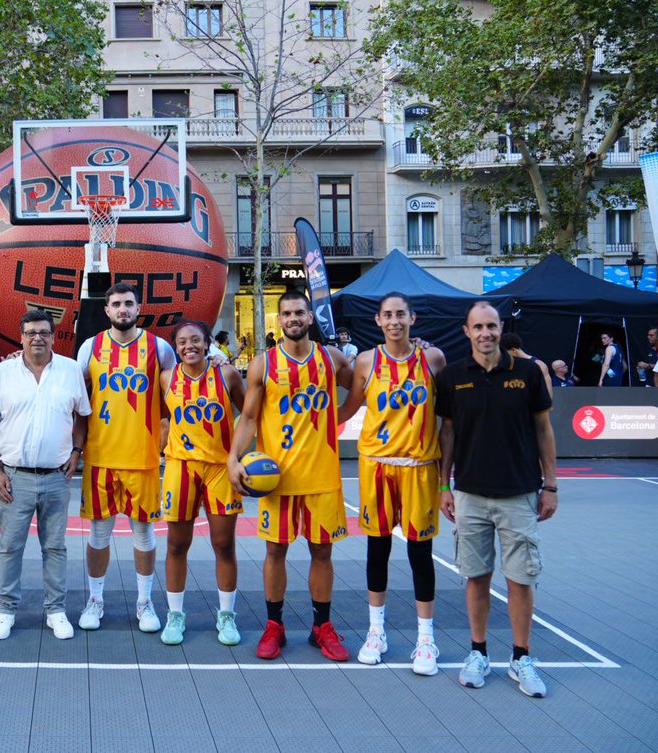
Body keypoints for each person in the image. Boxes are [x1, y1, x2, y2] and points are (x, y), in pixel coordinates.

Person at [437, 301, 557, 698]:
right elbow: (448, 433)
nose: (485, 333)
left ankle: (521, 657)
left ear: (500, 328)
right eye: (478, 327)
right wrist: (443, 485)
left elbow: (543, 430)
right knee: (476, 577)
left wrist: (551, 485)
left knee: (520, 579)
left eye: (491, 326)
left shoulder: (527, 373)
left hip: (519, 493)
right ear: (466, 330)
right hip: (470, 494)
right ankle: (478, 652)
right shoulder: (454, 376)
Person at [228, 290, 354, 661]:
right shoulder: (262, 365)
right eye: (286, 313)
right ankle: (274, 626)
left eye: (300, 312)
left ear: (310, 317)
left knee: (321, 552)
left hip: (321, 475)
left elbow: (362, 382)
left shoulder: (331, 358)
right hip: (276, 478)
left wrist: (341, 416)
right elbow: (248, 418)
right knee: (274, 551)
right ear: (278, 319)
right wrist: (234, 458)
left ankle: (321, 627)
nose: (293, 318)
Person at [338, 292, 447, 675]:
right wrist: (315, 428)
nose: (395, 320)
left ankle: (425, 639)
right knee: (377, 550)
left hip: (419, 466)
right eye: (388, 315)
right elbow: (350, 407)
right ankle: (376, 632)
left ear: (412, 318)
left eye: (401, 314)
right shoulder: (366, 361)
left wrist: (448, 478)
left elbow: (445, 419)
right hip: (378, 466)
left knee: (420, 553)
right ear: (378, 320)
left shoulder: (433, 359)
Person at [0, 309, 90, 640]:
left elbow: (82, 415)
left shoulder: (70, 371)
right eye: (30, 332)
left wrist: (76, 451)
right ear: (21, 336)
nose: (37, 337)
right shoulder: (3, 372)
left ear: (54, 336)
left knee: (55, 547)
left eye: (43, 332)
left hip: (57, 476)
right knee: (10, 546)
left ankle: (55, 610)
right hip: (15, 476)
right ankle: (5, 609)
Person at [76, 283, 177, 634]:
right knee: (98, 536)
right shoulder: (90, 346)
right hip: (100, 457)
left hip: (143, 457)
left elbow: (179, 388)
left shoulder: (159, 347)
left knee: (144, 536)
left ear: (138, 308)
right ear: (106, 310)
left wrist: (214, 362)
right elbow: (76, 393)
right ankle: (95, 600)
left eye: (128, 304)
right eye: (116, 304)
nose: (122, 309)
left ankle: (145, 603)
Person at [158, 321, 246, 646]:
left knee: (223, 544)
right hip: (181, 466)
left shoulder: (227, 375)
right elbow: (159, 416)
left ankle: (226, 616)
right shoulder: (167, 378)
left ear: (208, 343)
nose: (189, 346)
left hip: (220, 468)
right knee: (177, 545)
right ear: (176, 348)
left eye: (195, 339)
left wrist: (240, 455)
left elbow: (249, 413)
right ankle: (175, 615)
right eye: (182, 342)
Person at [501, 332, 552, 397]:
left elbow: (548, 395)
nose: (504, 356)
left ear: (513, 350)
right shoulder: (509, 366)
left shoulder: (539, 366)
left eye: (505, 353)